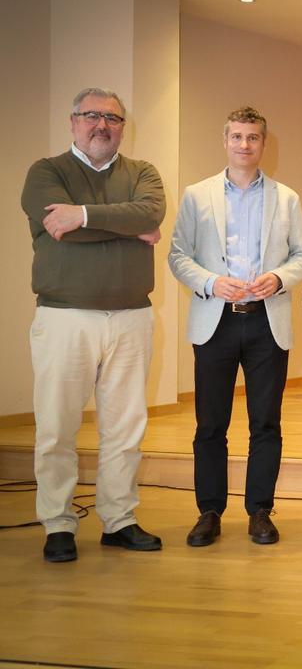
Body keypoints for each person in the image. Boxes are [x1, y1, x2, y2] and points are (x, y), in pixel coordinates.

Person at [21, 87, 166, 563]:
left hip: (131, 317)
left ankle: (119, 519)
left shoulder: (142, 173)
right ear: (73, 121)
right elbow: (56, 230)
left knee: (125, 428)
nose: (102, 124)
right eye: (91, 116)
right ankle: (59, 524)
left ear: (124, 126)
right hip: (66, 317)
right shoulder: (46, 172)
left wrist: (80, 216)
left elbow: (150, 213)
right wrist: (125, 227)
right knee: (57, 427)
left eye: (112, 118)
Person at [168, 106, 302, 547]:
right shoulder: (197, 195)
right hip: (216, 324)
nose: (244, 145)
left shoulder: (286, 198)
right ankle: (209, 511)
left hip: (267, 324)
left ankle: (260, 512)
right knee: (211, 424)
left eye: (252, 138)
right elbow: (178, 256)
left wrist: (280, 278)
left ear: (264, 144)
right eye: (237, 137)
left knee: (265, 423)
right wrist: (211, 282)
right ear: (225, 141)